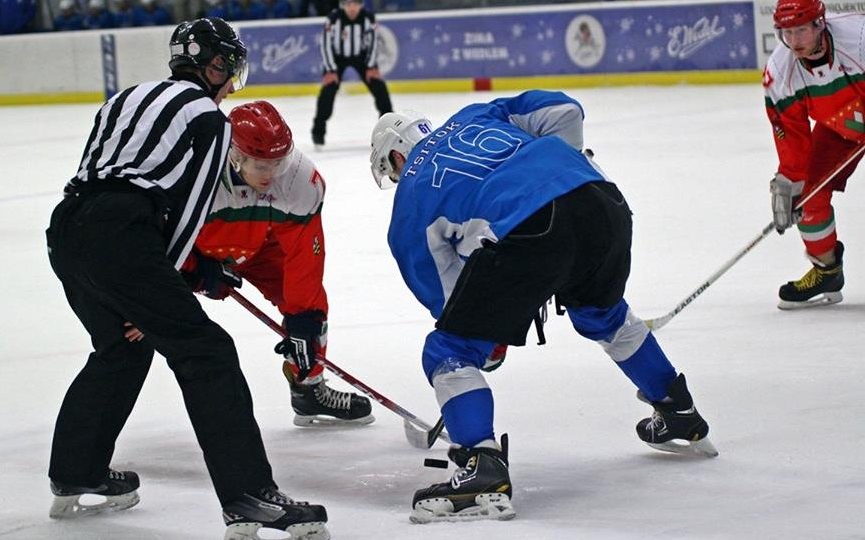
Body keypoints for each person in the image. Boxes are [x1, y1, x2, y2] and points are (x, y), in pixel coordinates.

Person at [368, 91, 718, 523]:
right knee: (603, 314)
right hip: (600, 199)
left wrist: (490, 334)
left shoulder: (409, 205)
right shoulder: (476, 114)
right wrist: (562, 175)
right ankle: (678, 411)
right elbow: (566, 110)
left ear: (396, 159)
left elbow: (447, 299)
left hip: (532, 229)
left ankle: (482, 467)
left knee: (448, 351)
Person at [45, 17, 329, 539]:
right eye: (229, 68)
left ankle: (75, 471)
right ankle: (249, 495)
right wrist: (180, 282)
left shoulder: (125, 97)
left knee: (121, 349)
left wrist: (144, 294)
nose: (230, 80)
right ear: (214, 65)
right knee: (208, 353)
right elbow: (187, 212)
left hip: (67, 230)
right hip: (125, 236)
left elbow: (94, 171)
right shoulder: (210, 120)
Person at [185, 100, 374, 427]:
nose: (271, 174)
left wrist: (302, 318)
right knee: (140, 326)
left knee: (311, 306)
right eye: (261, 165)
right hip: (194, 248)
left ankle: (308, 389)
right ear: (235, 155)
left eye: (278, 163)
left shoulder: (300, 179)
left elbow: (305, 256)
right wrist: (194, 270)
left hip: (259, 244)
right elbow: (157, 235)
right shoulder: (196, 171)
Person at [763, 0, 860, 309]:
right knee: (806, 194)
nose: (794, 41)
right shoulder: (780, 72)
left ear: (820, 23)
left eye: (801, 30)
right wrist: (790, 183)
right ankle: (827, 271)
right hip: (841, 126)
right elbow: (792, 142)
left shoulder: (858, 38)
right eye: (787, 32)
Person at [310, 0, 393, 147]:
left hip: (361, 57)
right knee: (328, 91)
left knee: (379, 88)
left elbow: (373, 43)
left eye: (355, 4)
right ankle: (318, 132)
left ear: (361, 5)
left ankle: (390, 128)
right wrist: (330, 70)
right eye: (348, 4)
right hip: (337, 58)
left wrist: (371, 66)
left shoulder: (369, 18)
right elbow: (326, 44)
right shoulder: (333, 19)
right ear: (343, 5)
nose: (352, 8)